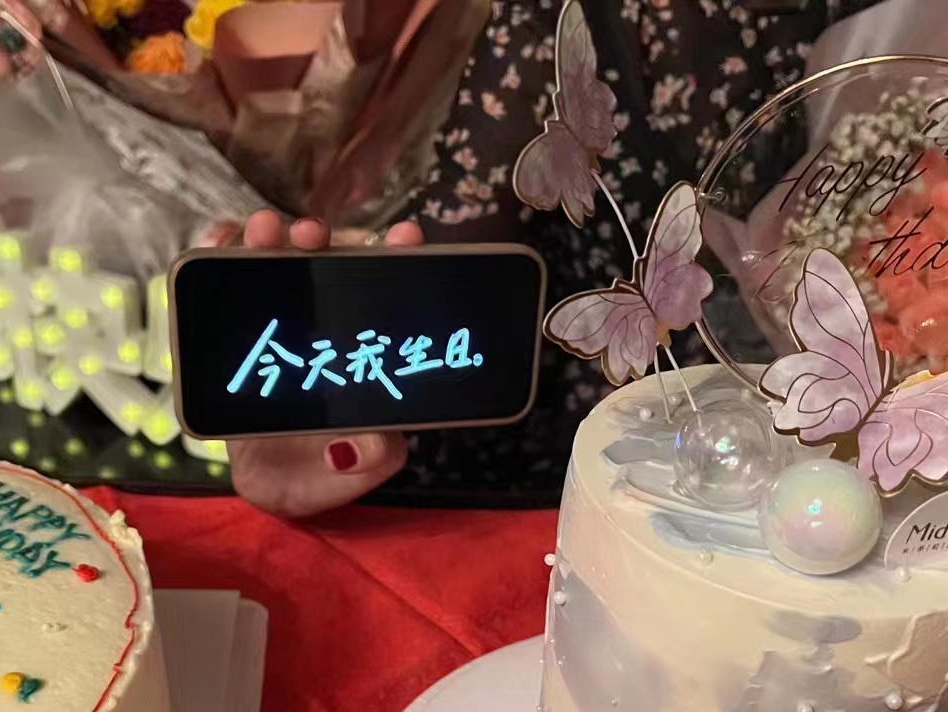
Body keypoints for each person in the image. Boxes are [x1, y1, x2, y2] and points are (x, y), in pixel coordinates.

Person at [216, 0, 878, 517]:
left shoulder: (916, 27)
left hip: (854, 461)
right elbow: (452, 273)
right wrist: (336, 381)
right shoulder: (559, 18)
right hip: (586, 467)